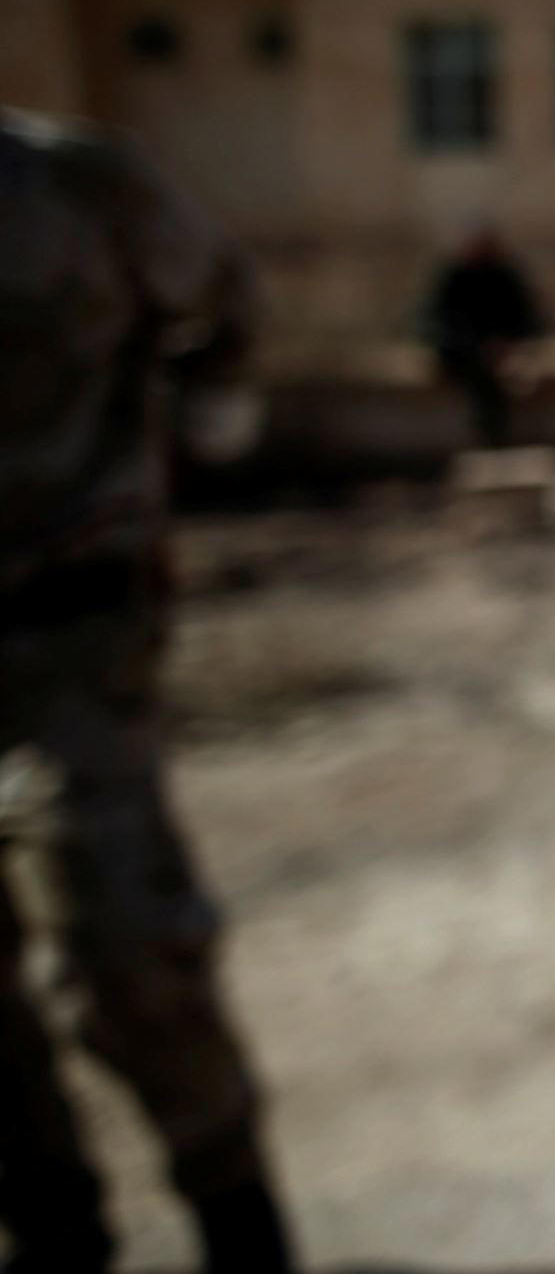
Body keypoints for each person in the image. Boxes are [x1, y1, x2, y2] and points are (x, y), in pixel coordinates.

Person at [0, 111, 296, 1274]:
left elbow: (225, 298)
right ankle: (52, 1230)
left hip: (68, 638)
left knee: (120, 946)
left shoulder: (70, 191)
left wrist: (205, 423)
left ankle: (239, 1221)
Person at [422, 222, 543, 446]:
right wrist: (477, 346)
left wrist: (505, 344)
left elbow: (529, 320)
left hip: (502, 352)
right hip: (464, 353)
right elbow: (435, 322)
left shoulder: (504, 275)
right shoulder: (454, 276)